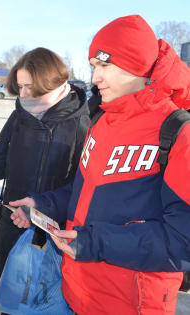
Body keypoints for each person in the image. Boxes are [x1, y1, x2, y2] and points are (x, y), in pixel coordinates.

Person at [10, 15, 190, 315]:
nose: (95, 78)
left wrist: (95, 243)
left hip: (131, 303)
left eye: (105, 65)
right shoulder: (101, 119)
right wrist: (42, 205)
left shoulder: (176, 132)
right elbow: (85, 192)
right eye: (94, 66)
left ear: (138, 66)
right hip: (76, 291)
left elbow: (181, 242)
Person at [0, 47, 90, 280]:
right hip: (12, 232)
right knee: (10, 301)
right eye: (20, 87)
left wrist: (40, 208)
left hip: (55, 242)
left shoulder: (82, 124)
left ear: (52, 83)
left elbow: (83, 189)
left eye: (29, 87)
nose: (23, 95)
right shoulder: (19, 118)